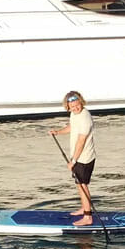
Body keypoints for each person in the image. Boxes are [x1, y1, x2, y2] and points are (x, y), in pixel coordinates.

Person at [48, 91, 96, 226]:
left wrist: (73, 161)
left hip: (84, 159)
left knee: (82, 185)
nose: (75, 108)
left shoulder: (85, 117)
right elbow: (71, 126)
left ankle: (88, 217)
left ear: (81, 102)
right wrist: (58, 132)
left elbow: (81, 141)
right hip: (78, 158)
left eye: (77, 105)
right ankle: (84, 208)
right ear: (68, 107)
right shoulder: (75, 115)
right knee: (79, 185)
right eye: (72, 107)